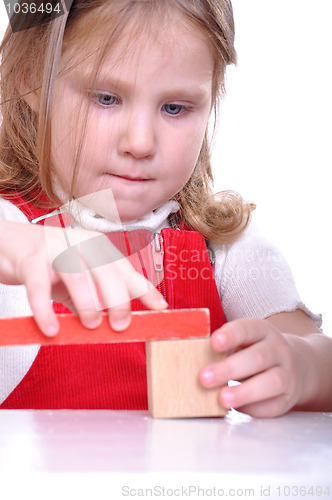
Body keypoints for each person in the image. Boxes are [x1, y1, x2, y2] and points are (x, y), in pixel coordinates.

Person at [0, 0, 331, 416]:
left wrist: (301, 367)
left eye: (175, 108)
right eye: (106, 98)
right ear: (33, 81)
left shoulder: (224, 249)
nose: (140, 142)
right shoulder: (11, 227)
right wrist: (13, 244)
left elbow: (320, 357)